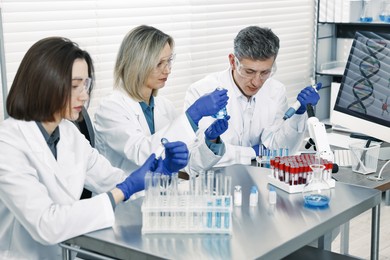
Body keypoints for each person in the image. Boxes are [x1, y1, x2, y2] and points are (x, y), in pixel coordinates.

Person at [0, 37, 189, 259]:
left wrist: (155, 177)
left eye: (86, 85)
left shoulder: (69, 134)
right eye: (74, 86)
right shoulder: (8, 144)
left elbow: (112, 180)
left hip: (67, 251)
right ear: (44, 84)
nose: (85, 95)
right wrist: (125, 188)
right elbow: (46, 224)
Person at [94, 25, 230, 175]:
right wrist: (194, 114)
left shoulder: (165, 106)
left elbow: (186, 166)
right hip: (129, 198)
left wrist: (211, 141)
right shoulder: (110, 108)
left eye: (169, 61)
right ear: (137, 64)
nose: (167, 70)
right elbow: (143, 153)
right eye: (159, 63)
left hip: (162, 194)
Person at [184, 26, 321, 167]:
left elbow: (280, 150)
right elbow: (198, 160)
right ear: (233, 61)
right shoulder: (202, 92)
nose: (257, 82)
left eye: (265, 72)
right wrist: (256, 152)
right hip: (216, 181)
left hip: (260, 179)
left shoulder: (276, 90)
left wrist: (299, 114)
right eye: (249, 71)